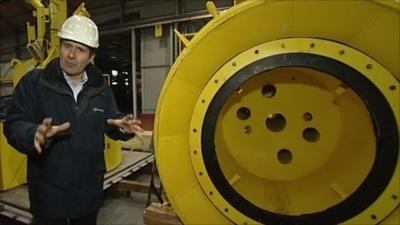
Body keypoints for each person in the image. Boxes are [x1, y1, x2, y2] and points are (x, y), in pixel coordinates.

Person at [3, 15, 143, 225]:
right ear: (60, 46)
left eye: (80, 49)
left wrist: (124, 126)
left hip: (88, 196)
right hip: (49, 198)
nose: (71, 55)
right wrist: (33, 133)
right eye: (67, 45)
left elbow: (111, 121)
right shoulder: (35, 83)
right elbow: (14, 124)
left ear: (91, 56)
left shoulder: (100, 89)